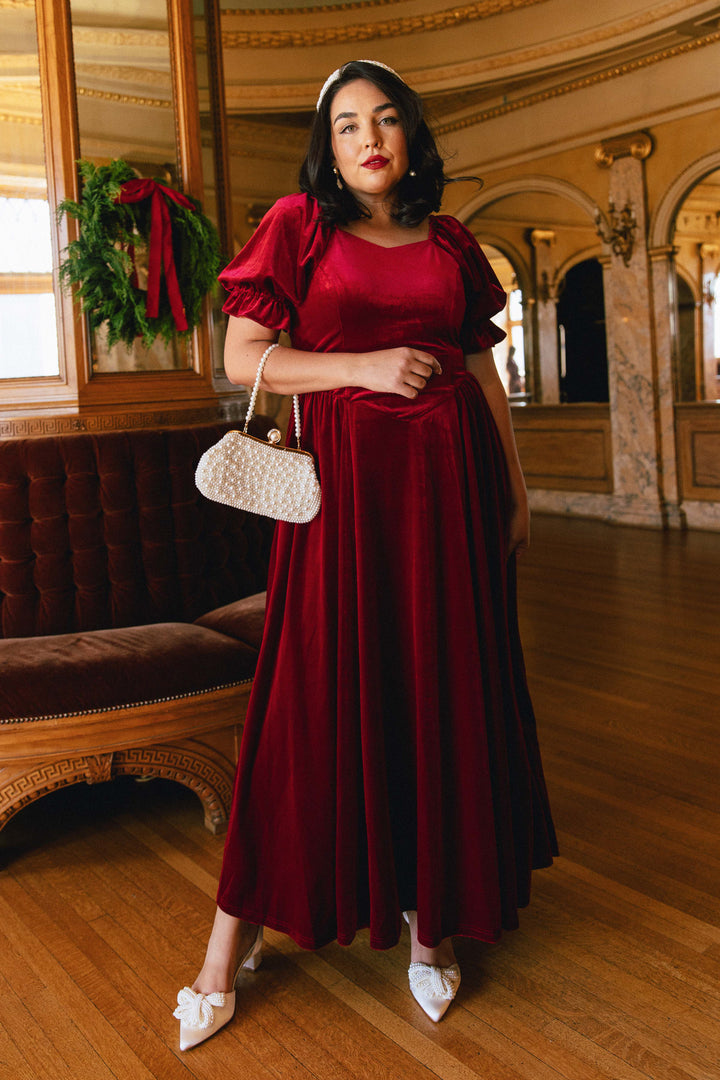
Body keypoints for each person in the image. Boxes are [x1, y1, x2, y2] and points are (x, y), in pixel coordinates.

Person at [173, 59, 557, 1049]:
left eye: (386, 120)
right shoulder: (297, 226)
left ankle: (434, 927)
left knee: (444, 689)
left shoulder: (453, 241)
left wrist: (513, 492)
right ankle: (226, 949)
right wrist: (363, 369)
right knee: (310, 695)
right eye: (348, 126)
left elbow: (480, 370)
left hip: (454, 497)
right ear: (328, 145)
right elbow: (243, 357)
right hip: (343, 501)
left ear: (410, 135)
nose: (369, 138)